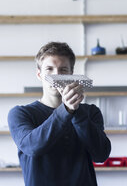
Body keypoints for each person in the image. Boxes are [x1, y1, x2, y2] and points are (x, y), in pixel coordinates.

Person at [8, 41, 111, 186]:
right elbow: (32, 147)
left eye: (63, 70)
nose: (56, 76)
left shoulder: (91, 112)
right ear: (39, 74)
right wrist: (66, 110)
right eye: (49, 69)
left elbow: (101, 154)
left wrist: (76, 111)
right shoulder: (21, 113)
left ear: (71, 74)